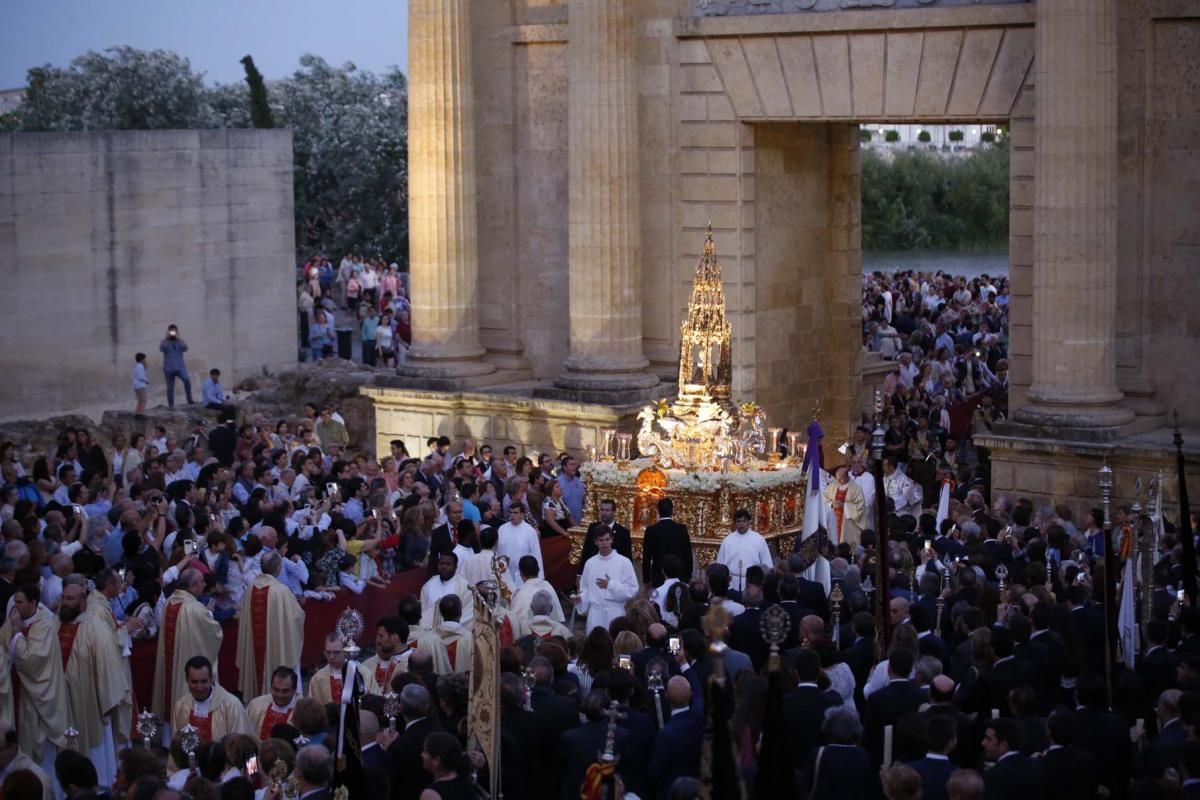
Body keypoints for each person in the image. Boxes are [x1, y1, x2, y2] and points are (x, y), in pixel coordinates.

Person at [55, 578, 126, 788]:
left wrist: (106, 700)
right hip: (60, 701)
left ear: (83, 601)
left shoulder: (97, 628)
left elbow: (108, 670)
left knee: (93, 751)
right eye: (63, 598)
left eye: (70, 599)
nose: (65, 603)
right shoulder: (54, 623)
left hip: (89, 705)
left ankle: (97, 784)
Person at [0, 584, 67, 777]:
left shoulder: (44, 626)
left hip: (37, 698)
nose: (16, 607)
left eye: (20, 602)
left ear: (33, 603)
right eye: (14, 602)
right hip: (17, 694)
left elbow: (31, 662)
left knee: (39, 755)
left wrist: (16, 631)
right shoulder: (12, 621)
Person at [152, 568, 224, 721]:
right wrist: (209, 613)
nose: (204, 585)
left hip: (173, 666)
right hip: (185, 662)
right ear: (191, 586)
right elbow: (214, 633)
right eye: (201, 582)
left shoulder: (170, 602)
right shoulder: (195, 609)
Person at [236, 552, 305, 701]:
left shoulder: (251, 588)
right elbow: (297, 617)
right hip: (276, 648)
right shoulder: (281, 591)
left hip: (255, 650)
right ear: (278, 568)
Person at [171, 656, 252, 744]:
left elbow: (241, 745)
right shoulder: (182, 706)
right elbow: (176, 746)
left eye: (204, 681)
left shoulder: (231, 706)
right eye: (194, 682)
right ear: (187, 680)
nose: (199, 687)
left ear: (211, 679)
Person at [573, 528, 639, 633]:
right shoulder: (590, 563)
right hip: (595, 614)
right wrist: (580, 598)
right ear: (595, 542)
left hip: (615, 613)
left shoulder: (624, 562)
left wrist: (610, 585)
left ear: (612, 540)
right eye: (601, 540)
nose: (605, 543)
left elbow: (632, 589)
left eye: (607, 539)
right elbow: (585, 588)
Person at [715, 509, 772, 593]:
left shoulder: (758, 539)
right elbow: (720, 564)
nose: (741, 524)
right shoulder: (727, 541)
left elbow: (767, 564)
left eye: (744, 521)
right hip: (731, 584)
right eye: (738, 521)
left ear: (749, 522)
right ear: (735, 523)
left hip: (753, 583)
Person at [309, 632, 372, 706]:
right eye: (328, 652)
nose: (331, 657)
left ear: (346, 651)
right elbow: (312, 710)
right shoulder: (318, 678)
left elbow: (374, 703)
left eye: (336, 652)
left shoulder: (363, 674)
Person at [509, 556, 567, 635]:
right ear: (538, 570)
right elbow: (559, 618)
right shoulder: (548, 587)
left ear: (521, 573)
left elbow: (513, 624)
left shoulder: (520, 593)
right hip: (552, 639)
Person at [642, 498, 693, 587]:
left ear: (658, 511)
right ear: (672, 510)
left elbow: (646, 557)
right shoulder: (681, 529)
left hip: (658, 577)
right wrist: (688, 576)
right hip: (679, 577)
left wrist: (647, 579)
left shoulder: (651, 530)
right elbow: (688, 555)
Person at [419, 553, 474, 630]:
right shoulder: (429, 585)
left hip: (454, 636)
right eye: (442, 563)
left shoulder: (465, 587)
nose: (444, 567)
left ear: (455, 567)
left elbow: (468, 615)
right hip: (430, 634)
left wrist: (447, 629)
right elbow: (423, 612)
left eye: (448, 564)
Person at [245, 667, 299, 742]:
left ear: (294, 690)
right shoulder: (256, 705)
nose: (280, 695)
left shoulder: (302, 711)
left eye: (285, 691)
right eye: (276, 690)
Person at [496, 503, 543, 589]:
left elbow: (536, 555)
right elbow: (497, 552)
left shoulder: (530, 531)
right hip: (505, 575)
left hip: (523, 576)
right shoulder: (502, 529)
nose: (512, 515)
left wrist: (539, 579)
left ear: (522, 514)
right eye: (510, 513)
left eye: (515, 513)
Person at [417, 731, 474, 800]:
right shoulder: (467, 783)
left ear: (437, 760)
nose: (421, 754)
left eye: (425, 751)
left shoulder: (431, 795)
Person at [579, 499, 631, 569]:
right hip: (594, 567)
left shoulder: (623, 532)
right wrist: (580, 573)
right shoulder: (593, 528)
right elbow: (586, 551)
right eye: (602, 510)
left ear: (614, 512)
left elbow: (627, 556)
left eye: (607, 510)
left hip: (614, 569)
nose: (604, 513)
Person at [825, 467, 867, 546]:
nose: (838, 481)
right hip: (833, 521)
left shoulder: (856, 489)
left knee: (846, 547)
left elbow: (860, 508)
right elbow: (825, 500)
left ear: (847, 477)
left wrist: (845, 506)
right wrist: (831, 504)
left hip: (848, 525)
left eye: (840, 479)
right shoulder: (832, 486)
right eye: (837, 479)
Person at [160, 324, 195, 408]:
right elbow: (162, 349)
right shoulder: (164, 341)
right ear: (168, 331)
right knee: (170, 388)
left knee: (186, 380)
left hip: (180, 367)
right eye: (171, 331)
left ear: (177, 331)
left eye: (174, 331)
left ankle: (189, 398)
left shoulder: (180, 341)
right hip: (168, 368)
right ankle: (171, 406)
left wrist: (179, 339)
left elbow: (185, 348)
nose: (173, 333)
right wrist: (166, 338)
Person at [132, 352, 149, 417]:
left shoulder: (136, 366)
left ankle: (137, 412)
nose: (145, 361)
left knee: (140, 400)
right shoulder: (140, 367)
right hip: (140, 386)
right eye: (144, 359)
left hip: (136, 386)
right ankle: (140, 413)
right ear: (141, 360)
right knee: (144, 400)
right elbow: (141, 376)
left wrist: (145, 368)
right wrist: (146, 380)